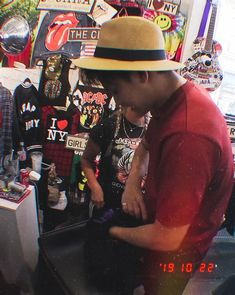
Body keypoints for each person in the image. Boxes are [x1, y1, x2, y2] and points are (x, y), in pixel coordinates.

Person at [73, 16, 234, 295]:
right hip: (161, 228)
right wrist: (133, 181)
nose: (118, 102)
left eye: (116, 91)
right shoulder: (168, 100)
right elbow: (146, 144)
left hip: (175, 253)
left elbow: (169, 238)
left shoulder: (189, 133)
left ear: (142, 76)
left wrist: (111, 232)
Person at [81, 106, 149, 212]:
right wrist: (94, 186)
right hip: (108, 202)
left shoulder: (153, 128)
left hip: (139, 205)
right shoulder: (108, 126)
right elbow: (86, 159)